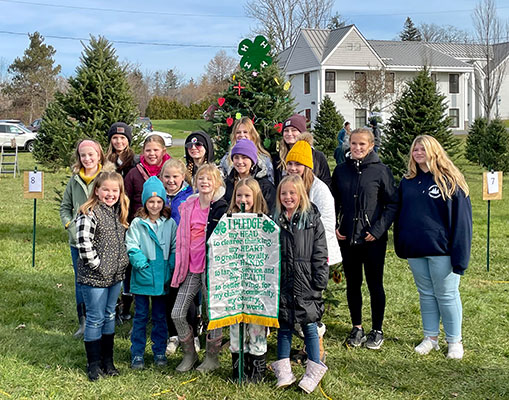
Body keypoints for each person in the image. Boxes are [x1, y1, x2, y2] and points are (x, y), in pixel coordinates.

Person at [394, 135, 472, 360]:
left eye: (422, 149)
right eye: (415, 149)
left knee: (447, 295)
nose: (418, 152)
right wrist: (402, 243)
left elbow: (462, 221)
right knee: (426, 295)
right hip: (416, 250)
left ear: (434, 151)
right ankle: (431, 338)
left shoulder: (450, 181)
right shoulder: (408, 181)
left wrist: (460, 254)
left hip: (443, 251)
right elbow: (400, 215)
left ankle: (454, 341)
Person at [331, 128, 398, 350]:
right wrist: (336, 226)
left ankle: (377, 329)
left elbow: (391, 204)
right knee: (353, 284)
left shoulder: (381, 171)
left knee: (374, 284)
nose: (357, 148)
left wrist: (378, 230)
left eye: (362, 144)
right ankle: (357, 326)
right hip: (348, 237)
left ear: (371, 146)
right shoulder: (341, 171)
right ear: (348, 145)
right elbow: (334, 202)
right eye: (353, 144)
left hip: (372, 240)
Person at [272, 175, 329, 394]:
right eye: (284, 193)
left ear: (301, 195)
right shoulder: (276, 219)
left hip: (306, 281)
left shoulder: (312, 220)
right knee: (284, 325)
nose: (288, 197)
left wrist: (319, 279)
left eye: (292, 193)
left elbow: (320, 251)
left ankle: (313, 370)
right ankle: (284, 370)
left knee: (309, 325)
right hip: (284, 280)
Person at [170, 164, 228, 373]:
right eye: (201, 178)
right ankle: (189, 354)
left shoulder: (220, 207)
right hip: (192, 268)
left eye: (209, 179)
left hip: (212, 270)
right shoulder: (188, 205)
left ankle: (212, 357)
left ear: (217, 183)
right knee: (177, 312)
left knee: (213, 314)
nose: (204, 182)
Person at [75, 171, 130, 381]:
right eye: (105, 189)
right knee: (95, 318)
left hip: (115, 276)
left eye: (115, 190)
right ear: (96, 191)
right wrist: (97, 264)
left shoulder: (117, 213)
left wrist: (121, 263)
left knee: (109, 315)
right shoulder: (89, 212)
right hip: (95, 277)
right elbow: (83, 243)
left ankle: (108, 361)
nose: (110, 194)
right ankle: (94, 364)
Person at [125, 177, 177, 369]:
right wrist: (139, 261)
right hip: (143, 276)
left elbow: (174, 245)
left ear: (163, 202)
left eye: (158, 201)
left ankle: (159, 351)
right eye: (151, 202)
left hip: (162, 277)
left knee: (159, 316)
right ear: (145, 203)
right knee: (140, 316)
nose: (155, 205)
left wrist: (170, 264)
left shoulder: (169, 224)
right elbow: (131, 244)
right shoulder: (138, 223)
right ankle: (137, 353)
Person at [60, 139, 107, 339]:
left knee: (102, 279)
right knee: (81, 281)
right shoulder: (74, 180)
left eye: (91, 154)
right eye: (83, 155)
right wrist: (70, 226)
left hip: (102, 241)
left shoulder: (107, 177)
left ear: (99, 155)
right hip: (78, 242)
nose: (87, 159)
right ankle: (84, 321)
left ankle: (104, 318)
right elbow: (65, 207)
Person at [123, 135, 170, 320]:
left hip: (163, 223)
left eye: (155, 150)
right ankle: (129, 304)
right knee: (137, 265)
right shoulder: (135, 173)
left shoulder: (168, 170)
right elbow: (125, 199)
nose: (152, 154)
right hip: (139, 225)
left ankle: (160, 311)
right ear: (143, 152)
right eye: (148, 150)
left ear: (163, 151)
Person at [227, 178, 270, 383]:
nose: (243, 199)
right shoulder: (228, 220)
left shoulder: (264, 222)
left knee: (256, 327)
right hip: (234, 285)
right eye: (239, 195)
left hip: (256, 287)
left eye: (247, 196)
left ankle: (257, 371)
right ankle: (238, 370)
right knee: (236, 327)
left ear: (255, 197)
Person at [159, 158, 201, 356]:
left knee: (187, 297)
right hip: (164, 254)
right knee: (170, 295)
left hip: (186, 254)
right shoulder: (158, 195)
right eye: (167, 176)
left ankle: (193, 335)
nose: (171, 180)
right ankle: (174, 335)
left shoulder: (190, 196)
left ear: (183, 177)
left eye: (175, 176)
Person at [274, 114, 331, 187]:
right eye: (286, 130)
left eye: (294, 130)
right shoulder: (279, 157)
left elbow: (326, 182)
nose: (289, 134)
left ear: (302, 133)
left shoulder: (317, 156)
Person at [224, 139, 276, 213]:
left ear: (252, 160)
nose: (240, 161)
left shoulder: (265, 186)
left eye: (244, 157)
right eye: (236, 157)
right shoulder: (227, 183)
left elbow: (270, 211)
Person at [219, 117, 274, 183]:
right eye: (238, 132)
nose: (242, 135)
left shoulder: (264, 160)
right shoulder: (226, 159)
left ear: (252, 134)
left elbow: (270, 184)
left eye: (245, 132)